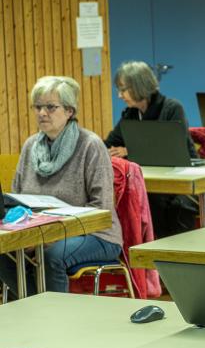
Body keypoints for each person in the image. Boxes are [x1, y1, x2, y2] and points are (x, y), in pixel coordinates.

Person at [0, 76, 122, 296]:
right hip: (40, 235)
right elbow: (15, 200)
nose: (42, 113)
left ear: (69, 111)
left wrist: (52, 237)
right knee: (2, 252)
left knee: (52, 255)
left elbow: (101, 207)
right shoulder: (30, 146)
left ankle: (57, 319)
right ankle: (35, 305)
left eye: (50, 107)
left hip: (98, 235)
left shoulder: (90, 145)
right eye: (37, 107)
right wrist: (29, 236)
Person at [104, 61, 198, 238]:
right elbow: (110, 142)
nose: (119, 95)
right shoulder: (131, 114)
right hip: (149, 179)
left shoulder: (171, 108)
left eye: (123, 89)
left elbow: (170, 149)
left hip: (181, 177)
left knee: (151, 198)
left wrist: (128, 151)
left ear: (139, 87)